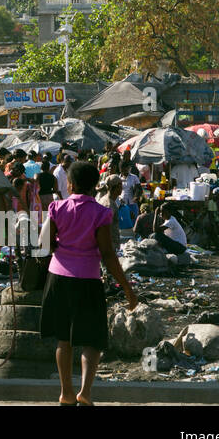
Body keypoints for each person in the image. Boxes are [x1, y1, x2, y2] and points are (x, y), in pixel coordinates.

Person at [40, 161, 138, 406]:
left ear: (70, 184)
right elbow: (107, 253)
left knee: (63, 340)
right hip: (88, 280)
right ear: (95, 185)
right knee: (92, 340)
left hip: (58, 278)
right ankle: (85, 392)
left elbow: (46, 242)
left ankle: (66, 392)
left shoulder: (57, 207)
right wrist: (127, 288)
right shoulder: (100, 213)